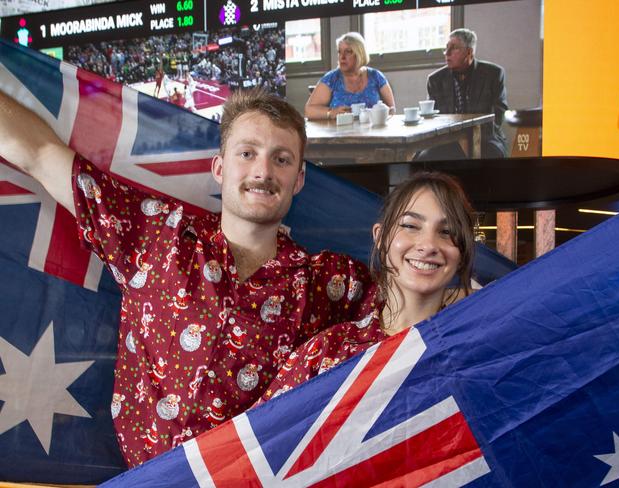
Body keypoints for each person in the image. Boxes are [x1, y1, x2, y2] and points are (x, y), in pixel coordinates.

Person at [0, 87, 374, 467]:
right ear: (219, 168)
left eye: (281, 159)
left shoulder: (330, 284)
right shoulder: (155, 235)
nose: (263, 172)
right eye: (247, 154)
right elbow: (39, 154)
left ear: (298, 179)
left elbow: (410, 318)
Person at [261, 171, 475, 401]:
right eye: (411, 226)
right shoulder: (328, 351)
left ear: (462, 252)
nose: (428, 244)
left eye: (447, 232)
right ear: (380, 236)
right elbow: (261, 432)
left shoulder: (474, 353)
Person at [425, 28, 508, 159]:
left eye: (454, 48)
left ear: (469, 52)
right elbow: (433, 117)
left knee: (493, 154)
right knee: (424, 157)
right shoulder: (436, 80)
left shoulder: (493, 74)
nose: (447, 53)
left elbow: (498, 112)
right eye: (446, 48)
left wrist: (471, 137)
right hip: (446, 140)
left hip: (485, 137)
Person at [304, 32, 396, 121]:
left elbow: (392, 110)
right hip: (339, 134)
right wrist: (331, 113)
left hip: (372, 133)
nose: (342, 57)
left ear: (360, 54)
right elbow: (309, 110)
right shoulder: (332, 79)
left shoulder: (376, 76)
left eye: (348, 52)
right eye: (339, 52)